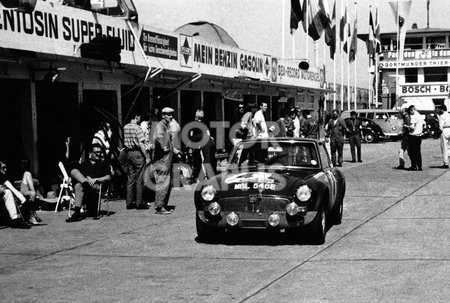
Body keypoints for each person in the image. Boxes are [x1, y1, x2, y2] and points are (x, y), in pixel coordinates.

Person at [65, 144, 111, 222]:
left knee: (79, 184)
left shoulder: (103, 164)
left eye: (100, 152)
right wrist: (83, 179)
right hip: (85, 185)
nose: (98, 154)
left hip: (96, 185)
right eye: (96, 152)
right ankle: (76, 213)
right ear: (90, 153)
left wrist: (95, 179)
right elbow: (75, 173)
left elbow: (108, 177)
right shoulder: (84, 164)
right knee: (74, 173)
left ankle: (76, 213)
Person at [119, 112, 151, 210]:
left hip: (128, 153)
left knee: (130, 178)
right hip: (137, 153)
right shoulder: (138, 128)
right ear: (136, 116)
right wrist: (147, 157)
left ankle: (129, 202)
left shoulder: (125, 127)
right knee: (139, 179)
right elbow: (141, 144)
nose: (140, 119)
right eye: (139, 117)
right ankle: (139, 202)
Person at [0, 161, 41, 228]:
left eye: (5, 167)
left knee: (8, 190)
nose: (5, 169)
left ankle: (15, 220)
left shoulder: (4, 176)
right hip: (10, 192)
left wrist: (23, 199)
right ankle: (26, 205)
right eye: (3, 168)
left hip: (13, 192)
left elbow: (12, 188)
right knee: (7, 188)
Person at [151, 107, 175, 214]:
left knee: (167, 182)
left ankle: (163, 204)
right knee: (163, 181)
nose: (171, 116)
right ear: (163, 115)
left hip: (167, 158)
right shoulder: (160, 126)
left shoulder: (167, 125)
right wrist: (164, 146)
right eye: (168, 114)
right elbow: (159, 137)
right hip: (162, 159)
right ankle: (160, 206)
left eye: (171, 114)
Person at [404, 105, 424, 171]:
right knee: (418, 151)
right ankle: (419, 166)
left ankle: (414, 166)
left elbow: (412, 127)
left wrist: (406, 126)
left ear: (412, 110)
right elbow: (423, 124)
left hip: (413, 135)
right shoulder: (420, 116)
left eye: (410, 111)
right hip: (419, 135)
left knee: (412, 152)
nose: (410, 113)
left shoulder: (414, 116)